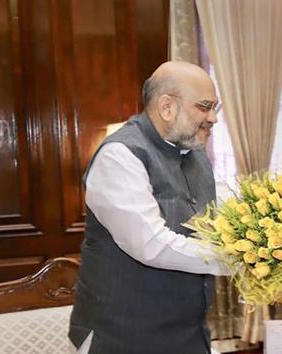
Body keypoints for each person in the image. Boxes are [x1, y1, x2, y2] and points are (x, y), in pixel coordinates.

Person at [68, 61, 228, 354]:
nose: (213, 118)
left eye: (215, 107)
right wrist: (236, 259)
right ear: (167, 106)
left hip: (189, 336)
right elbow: (151, 244)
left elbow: (218, 225)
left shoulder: (196, 156)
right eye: (204, 106)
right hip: (123, 337)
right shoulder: (119, 155)